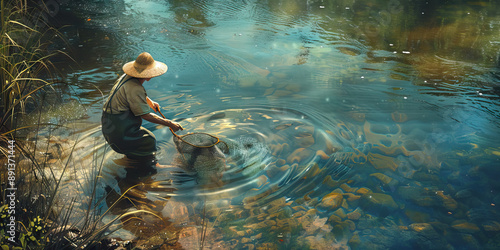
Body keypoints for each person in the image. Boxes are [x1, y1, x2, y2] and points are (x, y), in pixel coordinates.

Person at [102, 52, 183, 162]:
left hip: (108, 127)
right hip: (118, 131)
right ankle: (151, 168)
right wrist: (170, 123)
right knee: (148, 140)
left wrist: (150, 102)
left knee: (136, 148)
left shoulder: (125, 77)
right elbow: (146, 115)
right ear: (149, 74)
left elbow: (131, 94)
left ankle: (131, 162)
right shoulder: (135, 88)